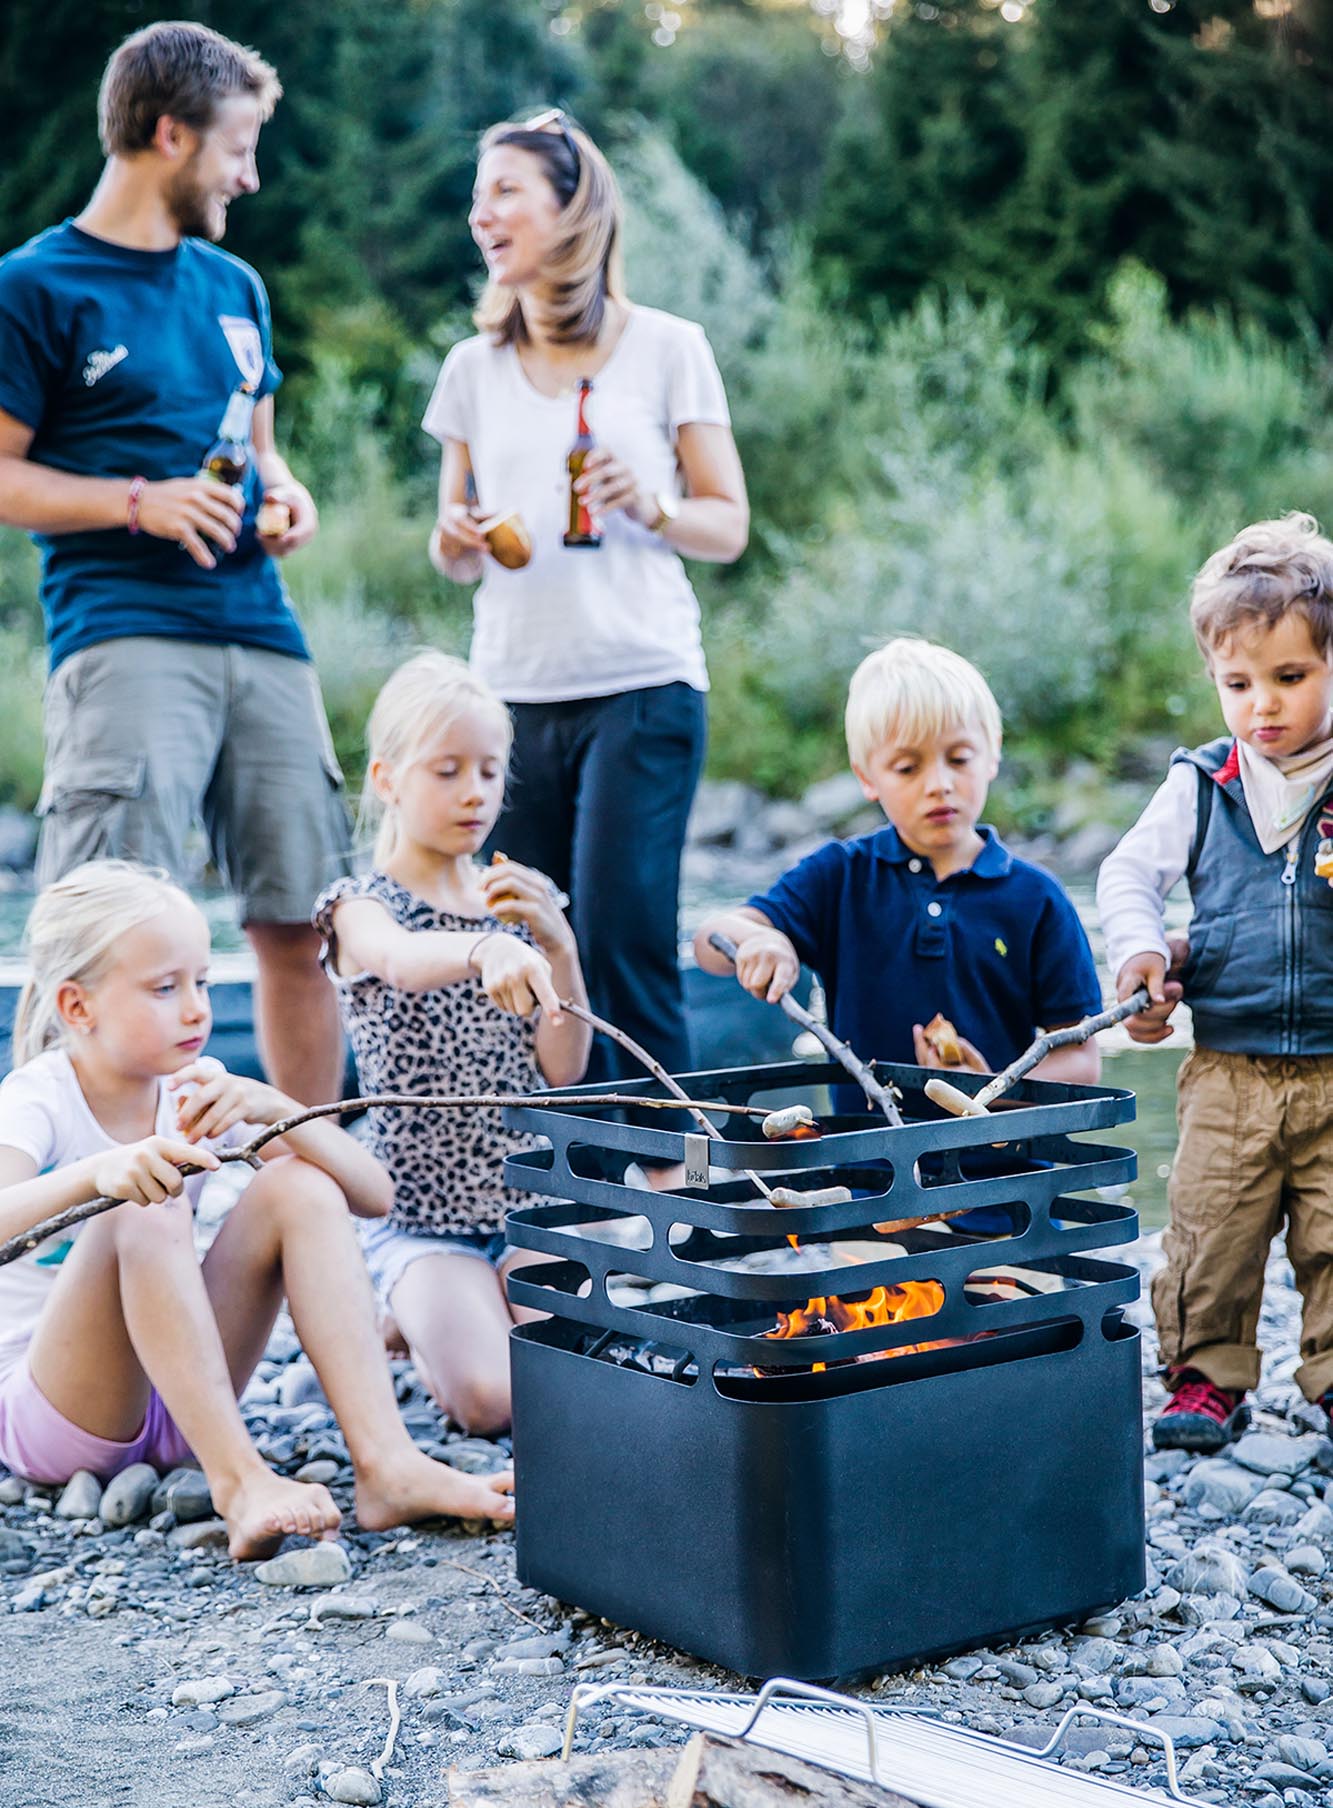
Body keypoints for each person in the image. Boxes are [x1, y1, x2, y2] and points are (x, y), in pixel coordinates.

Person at [0, 21, 347, 1109]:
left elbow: (264, 450)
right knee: (96, 929)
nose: (249, 175)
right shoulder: (33, 284)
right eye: (238, 148)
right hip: (124, 633)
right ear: (167, 134)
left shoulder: (238, 287)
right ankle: (50, 1215)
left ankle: (309, 1171)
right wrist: (137, 502)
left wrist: (291, 497)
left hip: (265, 632)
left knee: (307, 920)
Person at [0, 861, 515, 1556]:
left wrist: (276, 1109)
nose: (195, 1009)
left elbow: (375, 1195)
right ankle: (239, 1481)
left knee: (299, 1184)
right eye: (164, 988)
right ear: (77, 1007)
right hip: (62, 1414)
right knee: (141, 1199)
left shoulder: (192, 1092)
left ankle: (386, 1465)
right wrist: (100, 1173)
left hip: (187, 1403)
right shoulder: (41, 1095)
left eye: (202, 983)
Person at [423, 108, 748, 1138]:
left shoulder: (668, 348)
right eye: (478, 196)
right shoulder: (470, 366)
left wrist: (651, 504)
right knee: (519, 935)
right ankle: (554, 1181)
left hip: (641, 685)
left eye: (505, 190)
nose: (483, 212)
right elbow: (447, 544)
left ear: (572, 209)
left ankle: (669, 1185)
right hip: (509, 696)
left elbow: (727, 524)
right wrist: (458, 534)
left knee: (619, 935)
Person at [1098, 513, 1333, 1453]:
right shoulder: (1201, 784)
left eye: (1289, 677)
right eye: (1237, 683)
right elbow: (1125, 875)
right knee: (1208, 1234)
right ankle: (1205, 1376)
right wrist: (1138, 953)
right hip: (1227, 1069)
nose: (1261, 705)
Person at [314, 653, 591, 1438]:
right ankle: (410, 1303)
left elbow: (561, 1068)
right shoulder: (360, 907)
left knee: (584, 1376)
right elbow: (400, 964)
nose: (474, 791)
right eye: (447, 771)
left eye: (489, 770)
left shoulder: (513, 897)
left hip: (531, 1208)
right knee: (494, 1402)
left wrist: (557, 947)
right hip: (421, 1216)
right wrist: (482, 951)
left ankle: (439, 1314)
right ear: (389, 778)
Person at [695, 638, 1103, 1105]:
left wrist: (991, 1090)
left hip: (1004, 1169)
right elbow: (710, 941)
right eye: (908, 768)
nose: (939, 784)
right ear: (867, 777)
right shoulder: (840, 877)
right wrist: (761, 940)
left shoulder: (1038, 898)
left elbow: (1081, 1059)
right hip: (872, 1167)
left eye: (959, 758)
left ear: (993, 755)